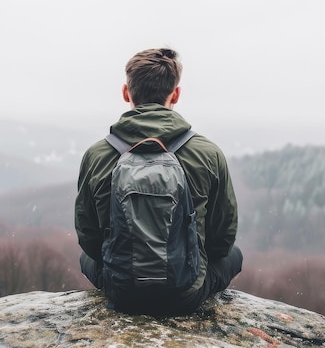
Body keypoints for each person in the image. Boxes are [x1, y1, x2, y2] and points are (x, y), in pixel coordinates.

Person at [75, 48, 242, 316]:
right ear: (175, 94)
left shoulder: (97, 155)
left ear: (126, 93)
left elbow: (89, 240)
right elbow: (222, 240)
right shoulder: (208, 154)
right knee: (235, 256)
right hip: (185, 295)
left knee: (85, 260)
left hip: (122, 292)